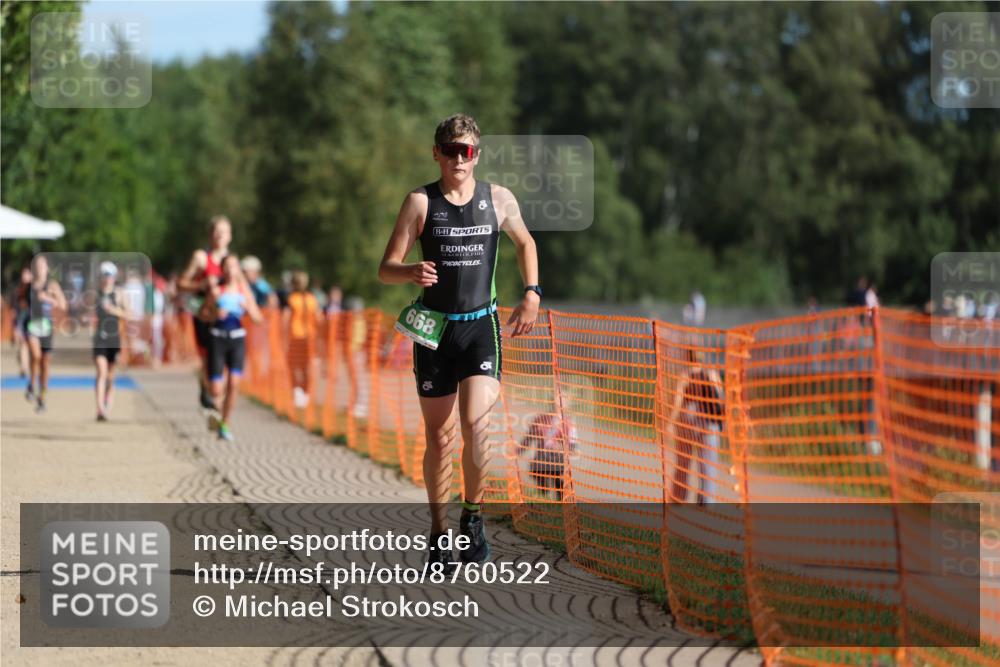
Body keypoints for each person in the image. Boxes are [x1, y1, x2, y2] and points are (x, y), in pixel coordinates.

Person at [378, 113, 540, 567]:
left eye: (466, 150)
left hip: (479, 328)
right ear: (436, 153)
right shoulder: (419, 202)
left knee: (475, 423)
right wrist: (408, 271)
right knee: (439, 438)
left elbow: (525, 243)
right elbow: (385, 267)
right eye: (450, 150)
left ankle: (473, 519)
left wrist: (532, 293)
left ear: (477, 155)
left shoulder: (498, 199)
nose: (458, 159)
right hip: (433, 330)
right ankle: (439, 531)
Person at [177, 215, 233, 412]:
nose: (219, 235)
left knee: (225, 363)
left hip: (226, 319)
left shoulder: (232, 262)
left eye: (224, 232)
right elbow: (180, 283)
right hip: (204, 317)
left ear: (230, 236)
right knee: (208, 361)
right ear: (210, 235)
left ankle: (217, 403)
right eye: (216, 231)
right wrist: (200, 284)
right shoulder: (201, 258)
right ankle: (207, 390)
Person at [204, 254, 263, 440]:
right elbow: (203, 314)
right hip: (218, 339)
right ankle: (216, 411)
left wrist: (247, 307)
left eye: (234, 266)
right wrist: (214, 313)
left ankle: (225, 424)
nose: (230, 270)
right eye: (227, 266)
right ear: (222, 269)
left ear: (238, 270)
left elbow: (258, 319)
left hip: (237, 339)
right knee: (216, 389)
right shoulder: (216, 291)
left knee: (234, 384)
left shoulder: (244, 292)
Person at [668, 349, 725, 504]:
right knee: (708, 468)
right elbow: (720, 400)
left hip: (689, 420)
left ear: (688, 356)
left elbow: (678, 400)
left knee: (683, 463)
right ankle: (705, 502)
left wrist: (672, 422)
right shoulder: (712, 375)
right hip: (708, 423)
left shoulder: (685, 375)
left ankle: (678, 498)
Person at [25, 254, 67, 413]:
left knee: (45, 363)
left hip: (47, 327)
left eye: (42, 265)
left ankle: (42, 397)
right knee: (36, 356)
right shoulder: (28, 285)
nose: (39, 268)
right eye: (37, 265)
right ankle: (31, 383)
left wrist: (49, 299)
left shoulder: (52, 285)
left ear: (47, 268)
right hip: (32, 325)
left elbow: (63, 305)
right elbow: (20, 303)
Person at [92, 262, 129, 421]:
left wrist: (113, 310)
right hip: (100, 338)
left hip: (114, 339)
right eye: (105, 275)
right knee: (102, 372)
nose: (108, 279)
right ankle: (100, 409)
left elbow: (128, 314)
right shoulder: (95, 295)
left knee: (111, 376)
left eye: (110, 275)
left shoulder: (119, 294)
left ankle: (107, 403)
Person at [520, 412, 577, 501]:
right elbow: (528, 439)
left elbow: (572, 447)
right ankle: (545, 495)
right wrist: (517, 451)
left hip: (556, 459)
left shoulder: (568, 423)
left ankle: (562, 499)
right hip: (541, 459)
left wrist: (560, 447)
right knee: (536, 471)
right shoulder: (540, 419)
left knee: (557, 478)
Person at [284, 270, 319, 409]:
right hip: (310, 338)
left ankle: (297, 391)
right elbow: (318, 318)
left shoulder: (291, 299)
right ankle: (305, 394)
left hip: (295, 337)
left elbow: (285, 319)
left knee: (293, 366)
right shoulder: (312, 298)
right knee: (306, 367)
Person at [11, 265, 32, 379]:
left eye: (28, 274)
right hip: (20, 321)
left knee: (29, 345)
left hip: (32, 321)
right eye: (24, 274)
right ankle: (24, 367)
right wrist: (14, 327)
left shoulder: (35, 290)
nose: (26, 276)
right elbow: (14, 309)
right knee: (23, 344)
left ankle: (25, 362)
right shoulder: (17, 290)